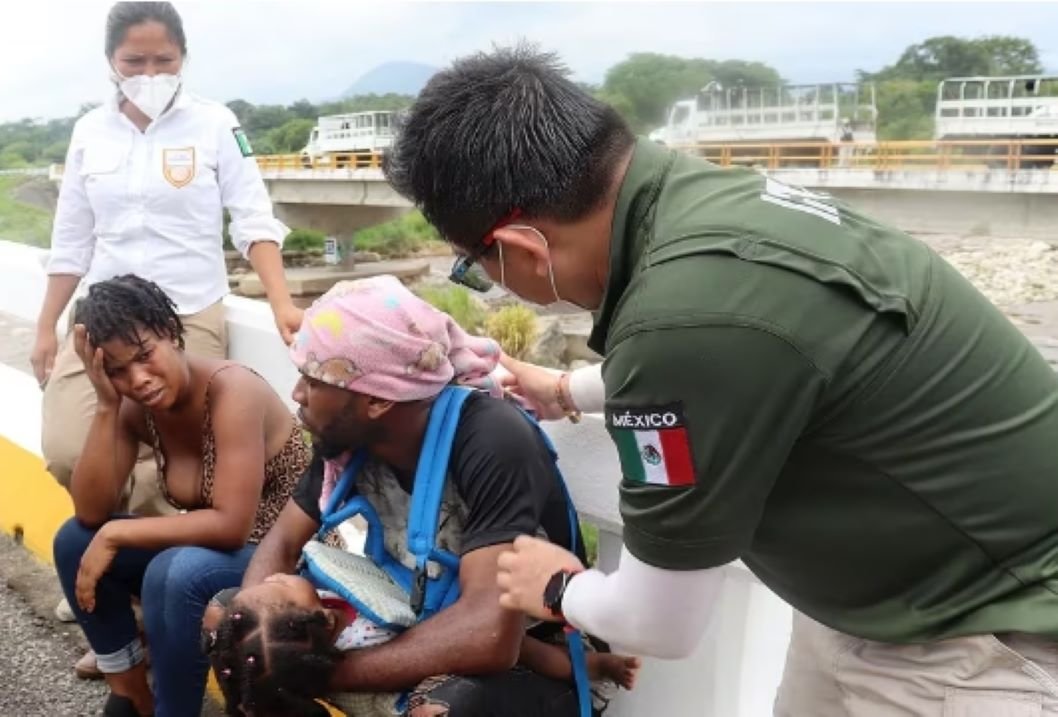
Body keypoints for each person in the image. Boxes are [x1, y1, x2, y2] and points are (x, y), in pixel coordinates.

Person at [383, 45, 1058, 715]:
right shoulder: (696, 203)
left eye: (475, 266)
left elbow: (658, 622)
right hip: (880, 600)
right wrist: (567, 391)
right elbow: (738, 355)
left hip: (983, 634)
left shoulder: (683, 318)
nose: (486, 281)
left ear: (522, 245)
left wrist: (554, 584)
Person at [232, 275, 627, 717]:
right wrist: (253, 629)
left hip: (532, 656)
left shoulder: (490, 438)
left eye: (313, 379)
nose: (297, 394)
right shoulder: (347, 437)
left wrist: (312, 673)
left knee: (447, 708)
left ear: (377, 401)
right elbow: (282, 543)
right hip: (410, 620)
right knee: (232, 625)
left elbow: (488, 635)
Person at [33, 0, 301, 516]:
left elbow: (253, 220)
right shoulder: (89, 132)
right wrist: (47, 326)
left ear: (184, 57)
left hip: (185, 314)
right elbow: (71, 241)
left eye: (165, 60)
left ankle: (149, 584)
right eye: (135, 62)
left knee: (174, 461)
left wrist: (282, 303)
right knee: (70, 448)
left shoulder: (216, 124)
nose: (151, 74)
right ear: (111, 60)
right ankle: (121, 556)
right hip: (103, 320)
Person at [52, 275, 310, 717]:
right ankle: (131, 693)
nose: (138, 379)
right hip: (214, 557)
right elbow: (90, 511)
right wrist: (106, 404)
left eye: (145, 355)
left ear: (171, 333)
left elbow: (232, 527)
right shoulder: (136, 407)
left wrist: (116, 534)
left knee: (174, 572)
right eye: (117, 370)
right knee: (74, 541)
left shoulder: (232, 390)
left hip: (287, 558)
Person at [201, 575, 637, 716]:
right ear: (317, 618)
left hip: (440, 635)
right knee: (525, 649)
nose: (272, 576)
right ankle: (594, 668)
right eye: (278, 586)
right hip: (446, 656)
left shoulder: (316, 625)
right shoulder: (364, 635)